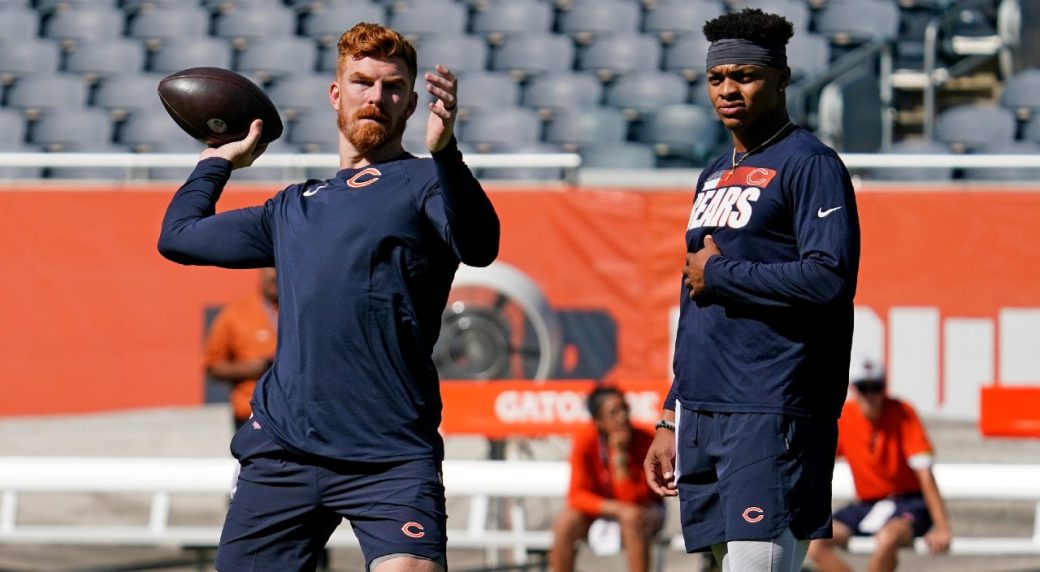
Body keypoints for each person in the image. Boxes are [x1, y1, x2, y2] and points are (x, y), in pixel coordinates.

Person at [157, 22, 500, 572]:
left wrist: (448, 153)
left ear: (412, 103)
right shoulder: (293, 206)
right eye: (362, 83)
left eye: (393, 88)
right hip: (283, 451)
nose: (376, 97)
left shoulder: (427, 184)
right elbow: (178, 237)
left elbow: (480, 246)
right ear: (336, 95)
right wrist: (219, 160)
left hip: (389, 455)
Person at [643, 8, 861, 572]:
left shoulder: (811, 163)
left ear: (782, 78)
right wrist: (672, 413)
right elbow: (698, 308)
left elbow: (827, 277)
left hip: (771, 406)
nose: (728, 90)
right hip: (705, 410)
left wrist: (721, 276)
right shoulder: (714, 172)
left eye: (745, 75)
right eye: (717, 79)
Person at [807, 358, 952, 572]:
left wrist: (943, 529)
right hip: (867, 504)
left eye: (876, 387)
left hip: (909, 501)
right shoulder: (845, 416)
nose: (870, 395)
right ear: (853, 388)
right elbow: (817, 466)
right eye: (863, 388)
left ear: (884, 387)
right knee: (814, 541)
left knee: (887, 538)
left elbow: (925, 475)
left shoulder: (903, 412)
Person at [550, 386, 663, 572]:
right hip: (609, 509)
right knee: (565, 521)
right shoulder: (585, 439)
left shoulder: (645, 439)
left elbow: (634, 500)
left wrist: (620, 456)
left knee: (632, 519)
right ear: (599, 422)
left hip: (645, 510)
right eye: (613, 413)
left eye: (624, 409)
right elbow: (576, 495)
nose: (622, 417)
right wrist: (617, 509)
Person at [204, 267, 278, 429]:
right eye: (270, 271)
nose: (275, 278)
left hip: (295, 414)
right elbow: (212, 366)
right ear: (260, 273)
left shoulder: (301, 311)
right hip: (251, 413)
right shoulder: (235, 313)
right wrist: (253, 368)